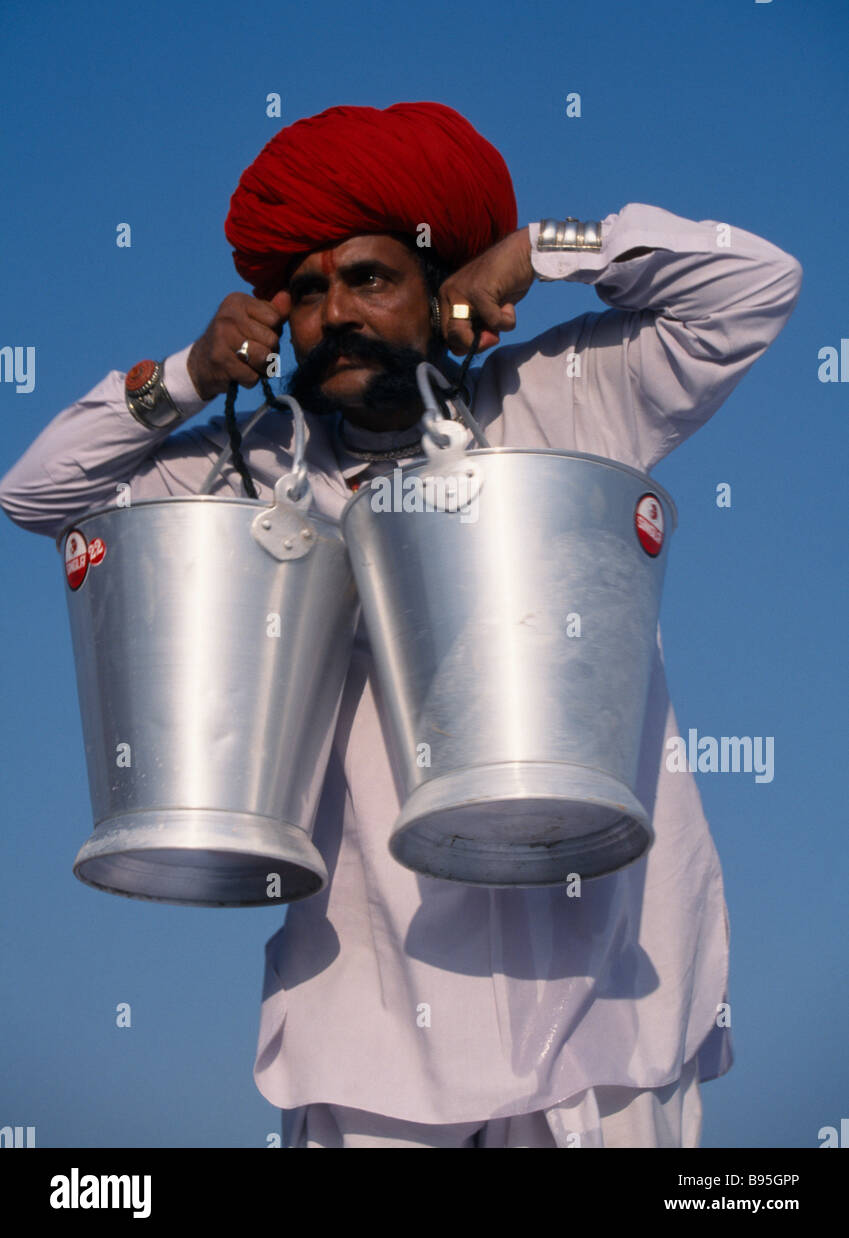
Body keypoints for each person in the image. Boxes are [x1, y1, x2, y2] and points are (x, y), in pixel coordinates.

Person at [0, 101, 803, 1148]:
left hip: (611, 1014)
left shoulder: (567, 399)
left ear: (444, 287)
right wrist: (186, 380)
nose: (333, 313)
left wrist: (545, 252)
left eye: (370, 280)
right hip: (371, 1025)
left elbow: (755, 285)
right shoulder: (250, 465)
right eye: (305, 291)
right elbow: (38, 496)